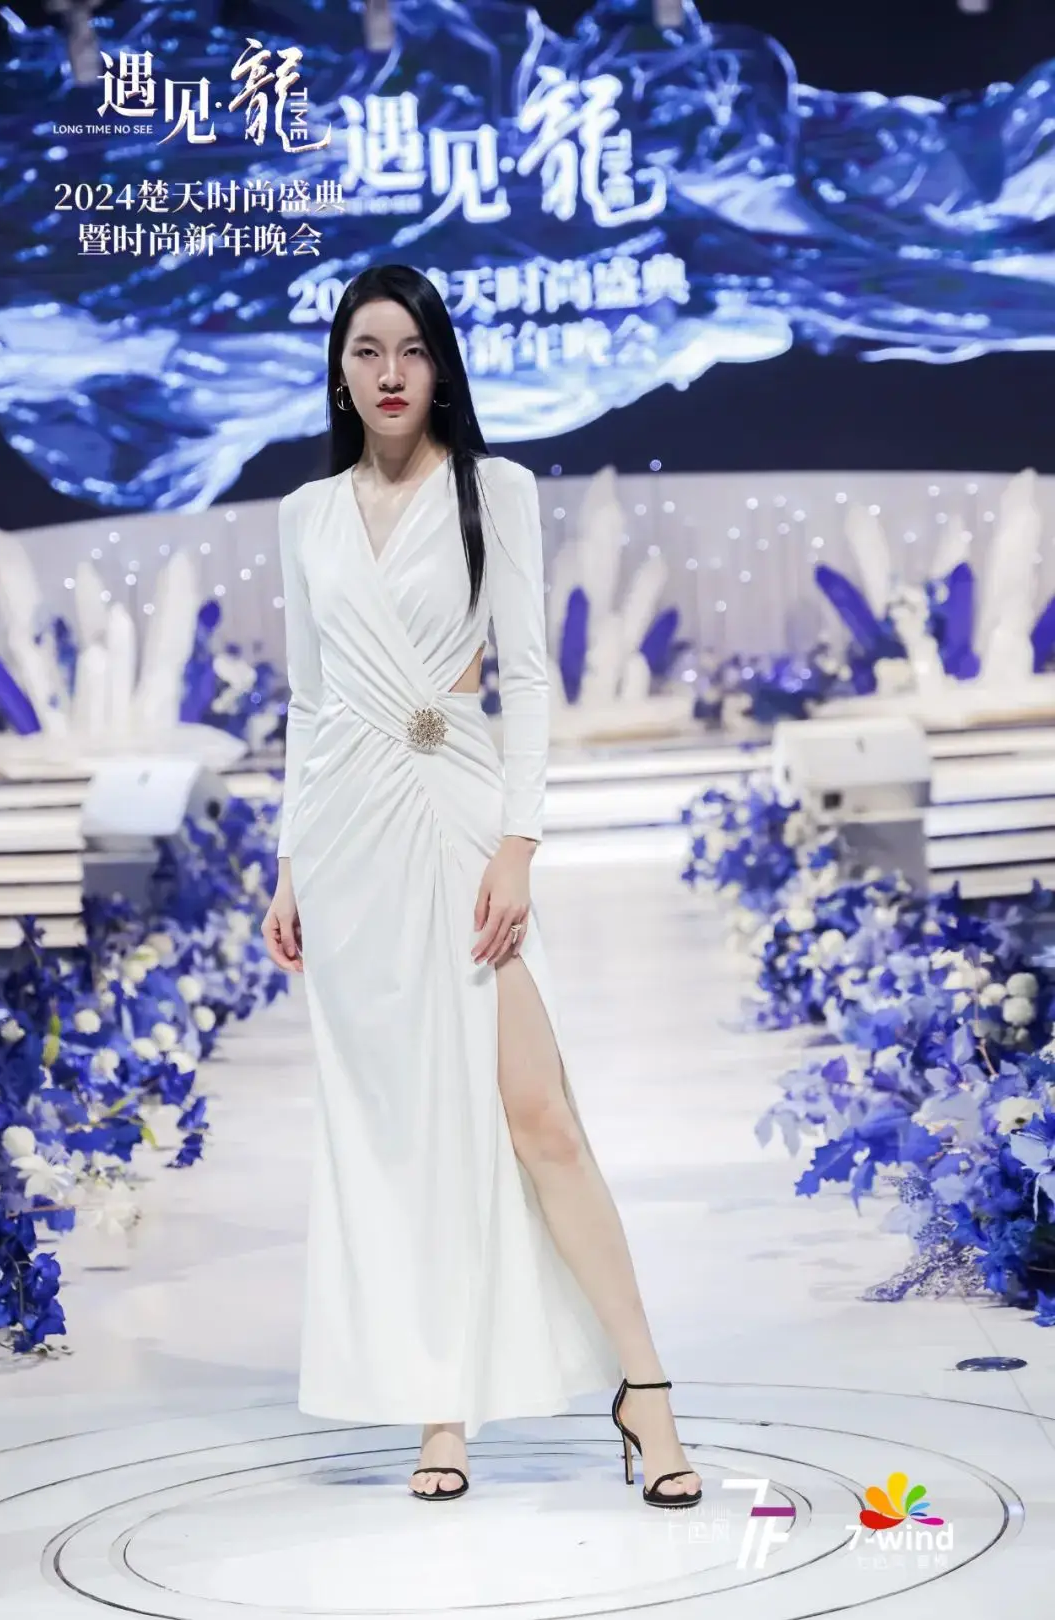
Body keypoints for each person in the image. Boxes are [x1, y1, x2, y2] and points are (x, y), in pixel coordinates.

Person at [261, 263, 702, 1508]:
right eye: (366, 351)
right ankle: (438, 1410)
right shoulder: (304, 514)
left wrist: (520, 841)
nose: (389, 373)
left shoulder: (492, 489)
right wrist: (290, 863)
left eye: (410, 349)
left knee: (537, 1114)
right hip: (346, 842)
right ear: (340, 373)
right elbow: (307, 702)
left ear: (441, 364)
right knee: (405, 1133)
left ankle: (646, 1391)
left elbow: (532, 678)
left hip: (460, 819)